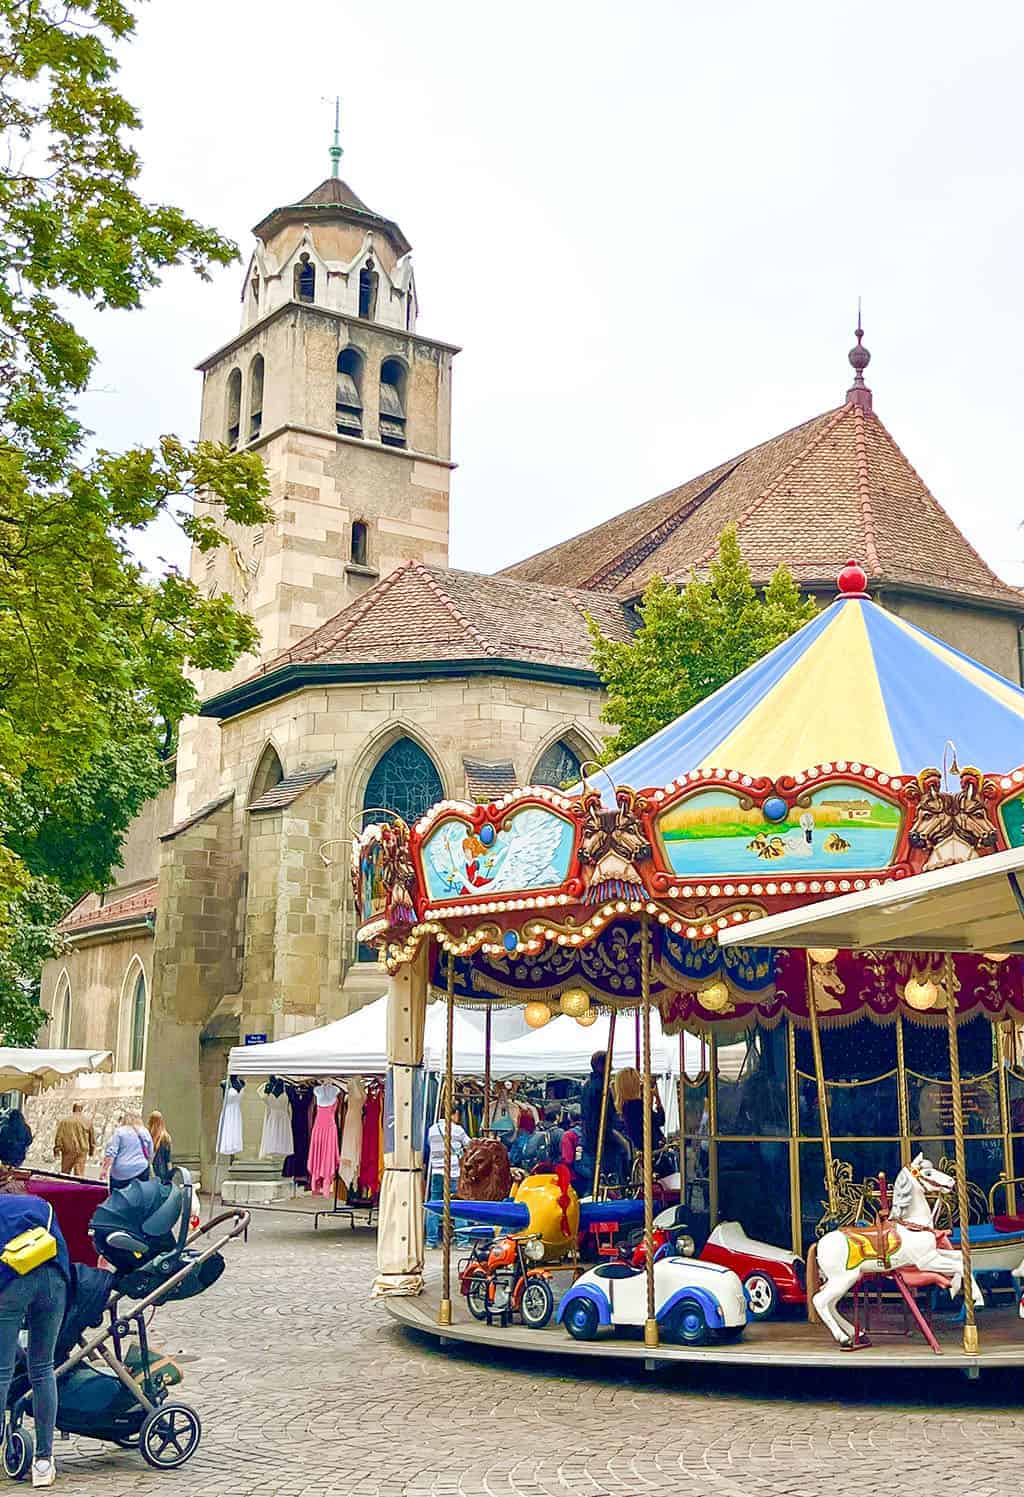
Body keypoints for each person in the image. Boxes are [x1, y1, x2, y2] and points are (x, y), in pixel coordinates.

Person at [0, 1114, 70, 1488]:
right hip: (53, 1281)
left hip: (12, 1283)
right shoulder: (38, 1203)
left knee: (1, 1371)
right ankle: (44, 1462)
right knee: (43, 1368)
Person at [580, 1051, 630, 1184]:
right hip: (603, 1140)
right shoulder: (599, 1088)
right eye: (609, 1064)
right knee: (626, 1149)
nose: (612, 1068)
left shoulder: (588, 1086)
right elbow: (602, 1118)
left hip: (593, 1139)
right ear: (601, 1066)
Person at [424, 1109, 469, 1248]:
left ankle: (431, 1241)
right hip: (454, 1172)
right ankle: (462, 1241)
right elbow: (470, 1145)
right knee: (459, 1204)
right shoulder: (457, 1130)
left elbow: (429, 1146)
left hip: (436, 1171)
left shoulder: (432, 1129)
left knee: (434, 1205)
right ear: (453, 1113)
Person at [613, 1067, 665, 1152]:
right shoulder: (638, 1106)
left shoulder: (620, 1108)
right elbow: (660, 1120)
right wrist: (657, 1099)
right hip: (650, 1151)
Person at [99, 1113, 153, 1190]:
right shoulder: (145, 1132)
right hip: (141, 1170)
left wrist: (104, 1169)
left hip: (121, 1172)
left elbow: (111, 1153)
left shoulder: (120, 1132)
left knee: (118, 1198)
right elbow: (150, 1153)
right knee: (139, 1199)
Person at [52, 1104, 94, 1178]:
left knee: (65, 1173)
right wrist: (91, 1151)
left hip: (67, 1150)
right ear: (81, 1109)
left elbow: (59, 1136)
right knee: (79, 1174)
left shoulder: (64, 1121)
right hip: (82, 1151)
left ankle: (64, 1187)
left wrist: (57, 1149)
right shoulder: (87, 1121)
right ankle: (77, 1188)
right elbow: (91, 1138)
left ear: (73, 1109)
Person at [146, 1112, 173, 1184]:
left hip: (148, 1171)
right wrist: (170, 1174)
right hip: (162, 1171)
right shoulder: (166, 1137)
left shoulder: (146, 1135)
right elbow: (168, 1159)